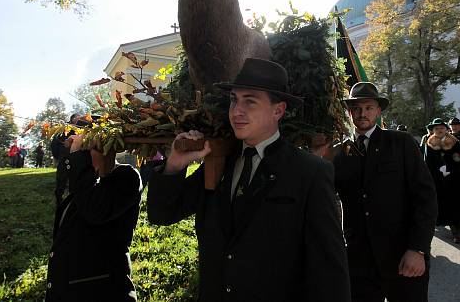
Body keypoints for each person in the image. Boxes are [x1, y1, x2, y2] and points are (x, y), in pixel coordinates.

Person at [147, 58, 351, 302]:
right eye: (234, 100)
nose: (236, 111)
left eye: (250, 101)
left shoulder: (310, 173)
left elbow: (329, 271)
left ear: (278, 110)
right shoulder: (218, 165)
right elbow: (161, 215)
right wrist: (174, 165)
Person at [334, 82, 437, 302]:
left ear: (378, 110)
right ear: (349, 112)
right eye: (357, 108)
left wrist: (418, 249)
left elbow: (425, 197)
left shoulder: (401, 143)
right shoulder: (339, 153)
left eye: (369, 107)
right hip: (359, 261)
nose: (363, 113)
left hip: (403, 256)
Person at [45, 130, 142, 301]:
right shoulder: (85, 182)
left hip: (104, 294)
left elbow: (95, 210)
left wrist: (79, 159)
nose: (81, 152)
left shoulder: (127, 177)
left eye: (87, 147)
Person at [423, 118, 460, 244]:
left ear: (446, 129)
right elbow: (427, 163)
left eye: (441, 128)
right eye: (436, 129)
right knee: (448, 208)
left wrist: (454, 169)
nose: (439, 130)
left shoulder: (454, 141)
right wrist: (438, 171)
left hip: (458, 180)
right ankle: (456, 233)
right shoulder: (429, 144)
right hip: (441, 182)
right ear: (433, 131)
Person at [51, 114, 79, 205]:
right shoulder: (64, 129)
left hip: (76, 159)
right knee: (61, 178)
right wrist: (57, 155)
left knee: (74, 179)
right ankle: (59, 199)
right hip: (64, 157)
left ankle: (73, 201)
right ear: (72, 119)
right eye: (77, 118)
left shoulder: (82, 129)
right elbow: (55, 142)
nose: (79, 120)